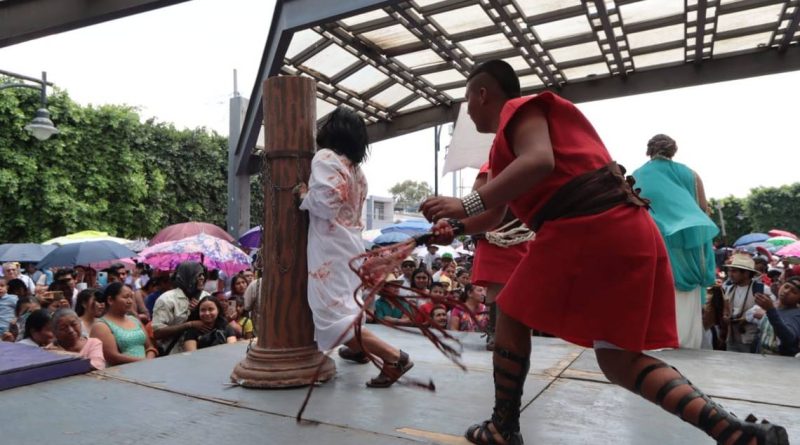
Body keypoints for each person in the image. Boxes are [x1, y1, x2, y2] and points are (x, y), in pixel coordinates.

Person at [420, 60, 787, 445]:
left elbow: (538, 162)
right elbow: (494, 215)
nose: (469, 109)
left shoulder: (521, 108)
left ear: (482, 94)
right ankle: (735, 433)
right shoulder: (502, 152)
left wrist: (466, 203)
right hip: (625, 229)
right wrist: (456, 228)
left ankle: (502, 427)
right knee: (619, 361)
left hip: (588, 226)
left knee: (509, 310)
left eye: (467, 100)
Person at [295, 106, 412, 387]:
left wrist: (303, 194)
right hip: (350, 249)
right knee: (346, 306)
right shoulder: (358, 172)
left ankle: (395, 357)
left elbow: (324, 203)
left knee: (331, 316)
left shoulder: (325, 158)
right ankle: (359, 351)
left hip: (330, 252)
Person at [633, 134, 718, 349]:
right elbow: (702, 210)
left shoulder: (637, 175)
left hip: (653, 246)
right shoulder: (691, 174)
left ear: (648, 150)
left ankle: (655, 342)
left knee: (656, 295)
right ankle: (684, 343)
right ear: (674, 151)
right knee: (685, 298)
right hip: (686, 250)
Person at [470, 162, 530, 350]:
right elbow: (476, 198)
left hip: (522, 232)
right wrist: (474, 225)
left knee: (522, 288)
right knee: (498, 286)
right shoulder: (491, 164)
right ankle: (495, 332)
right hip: (495, 233)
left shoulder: (530, 161)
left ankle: (516, 334)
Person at [152, 261, 210, 356]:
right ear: (187, 276)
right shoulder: (167, 299)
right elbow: (157, 333)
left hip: (202, 353)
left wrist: (201, 310)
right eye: (198, 275)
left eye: (203, 274)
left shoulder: (206, 297)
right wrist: (189, 324)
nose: (202, 278)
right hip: (174, 355)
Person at [90, 282, 156, 365]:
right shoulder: (101, 326)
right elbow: (112, 357)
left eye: (131, 297)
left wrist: (149, 360)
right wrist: (143, 362)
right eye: (126, 297)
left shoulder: (134, 320)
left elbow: (150, 347)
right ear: (110, 300)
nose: (130, 301)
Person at [722, 254, 773, 353]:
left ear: (746, 273)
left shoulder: (762, 289)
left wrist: (748, 318)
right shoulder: (727, 288)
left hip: (751, 339)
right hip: (731, 338)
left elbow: (770, 314)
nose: (730, 274)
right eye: (729, 271)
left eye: (734, 271)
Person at [754, 276, 800, 356]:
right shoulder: (773, 306)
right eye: (786, 287)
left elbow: (789, 339)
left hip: (780, 362)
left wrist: (770, 311)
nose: (786, 291)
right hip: (762, 358)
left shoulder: (796, 314)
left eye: (794, 292)